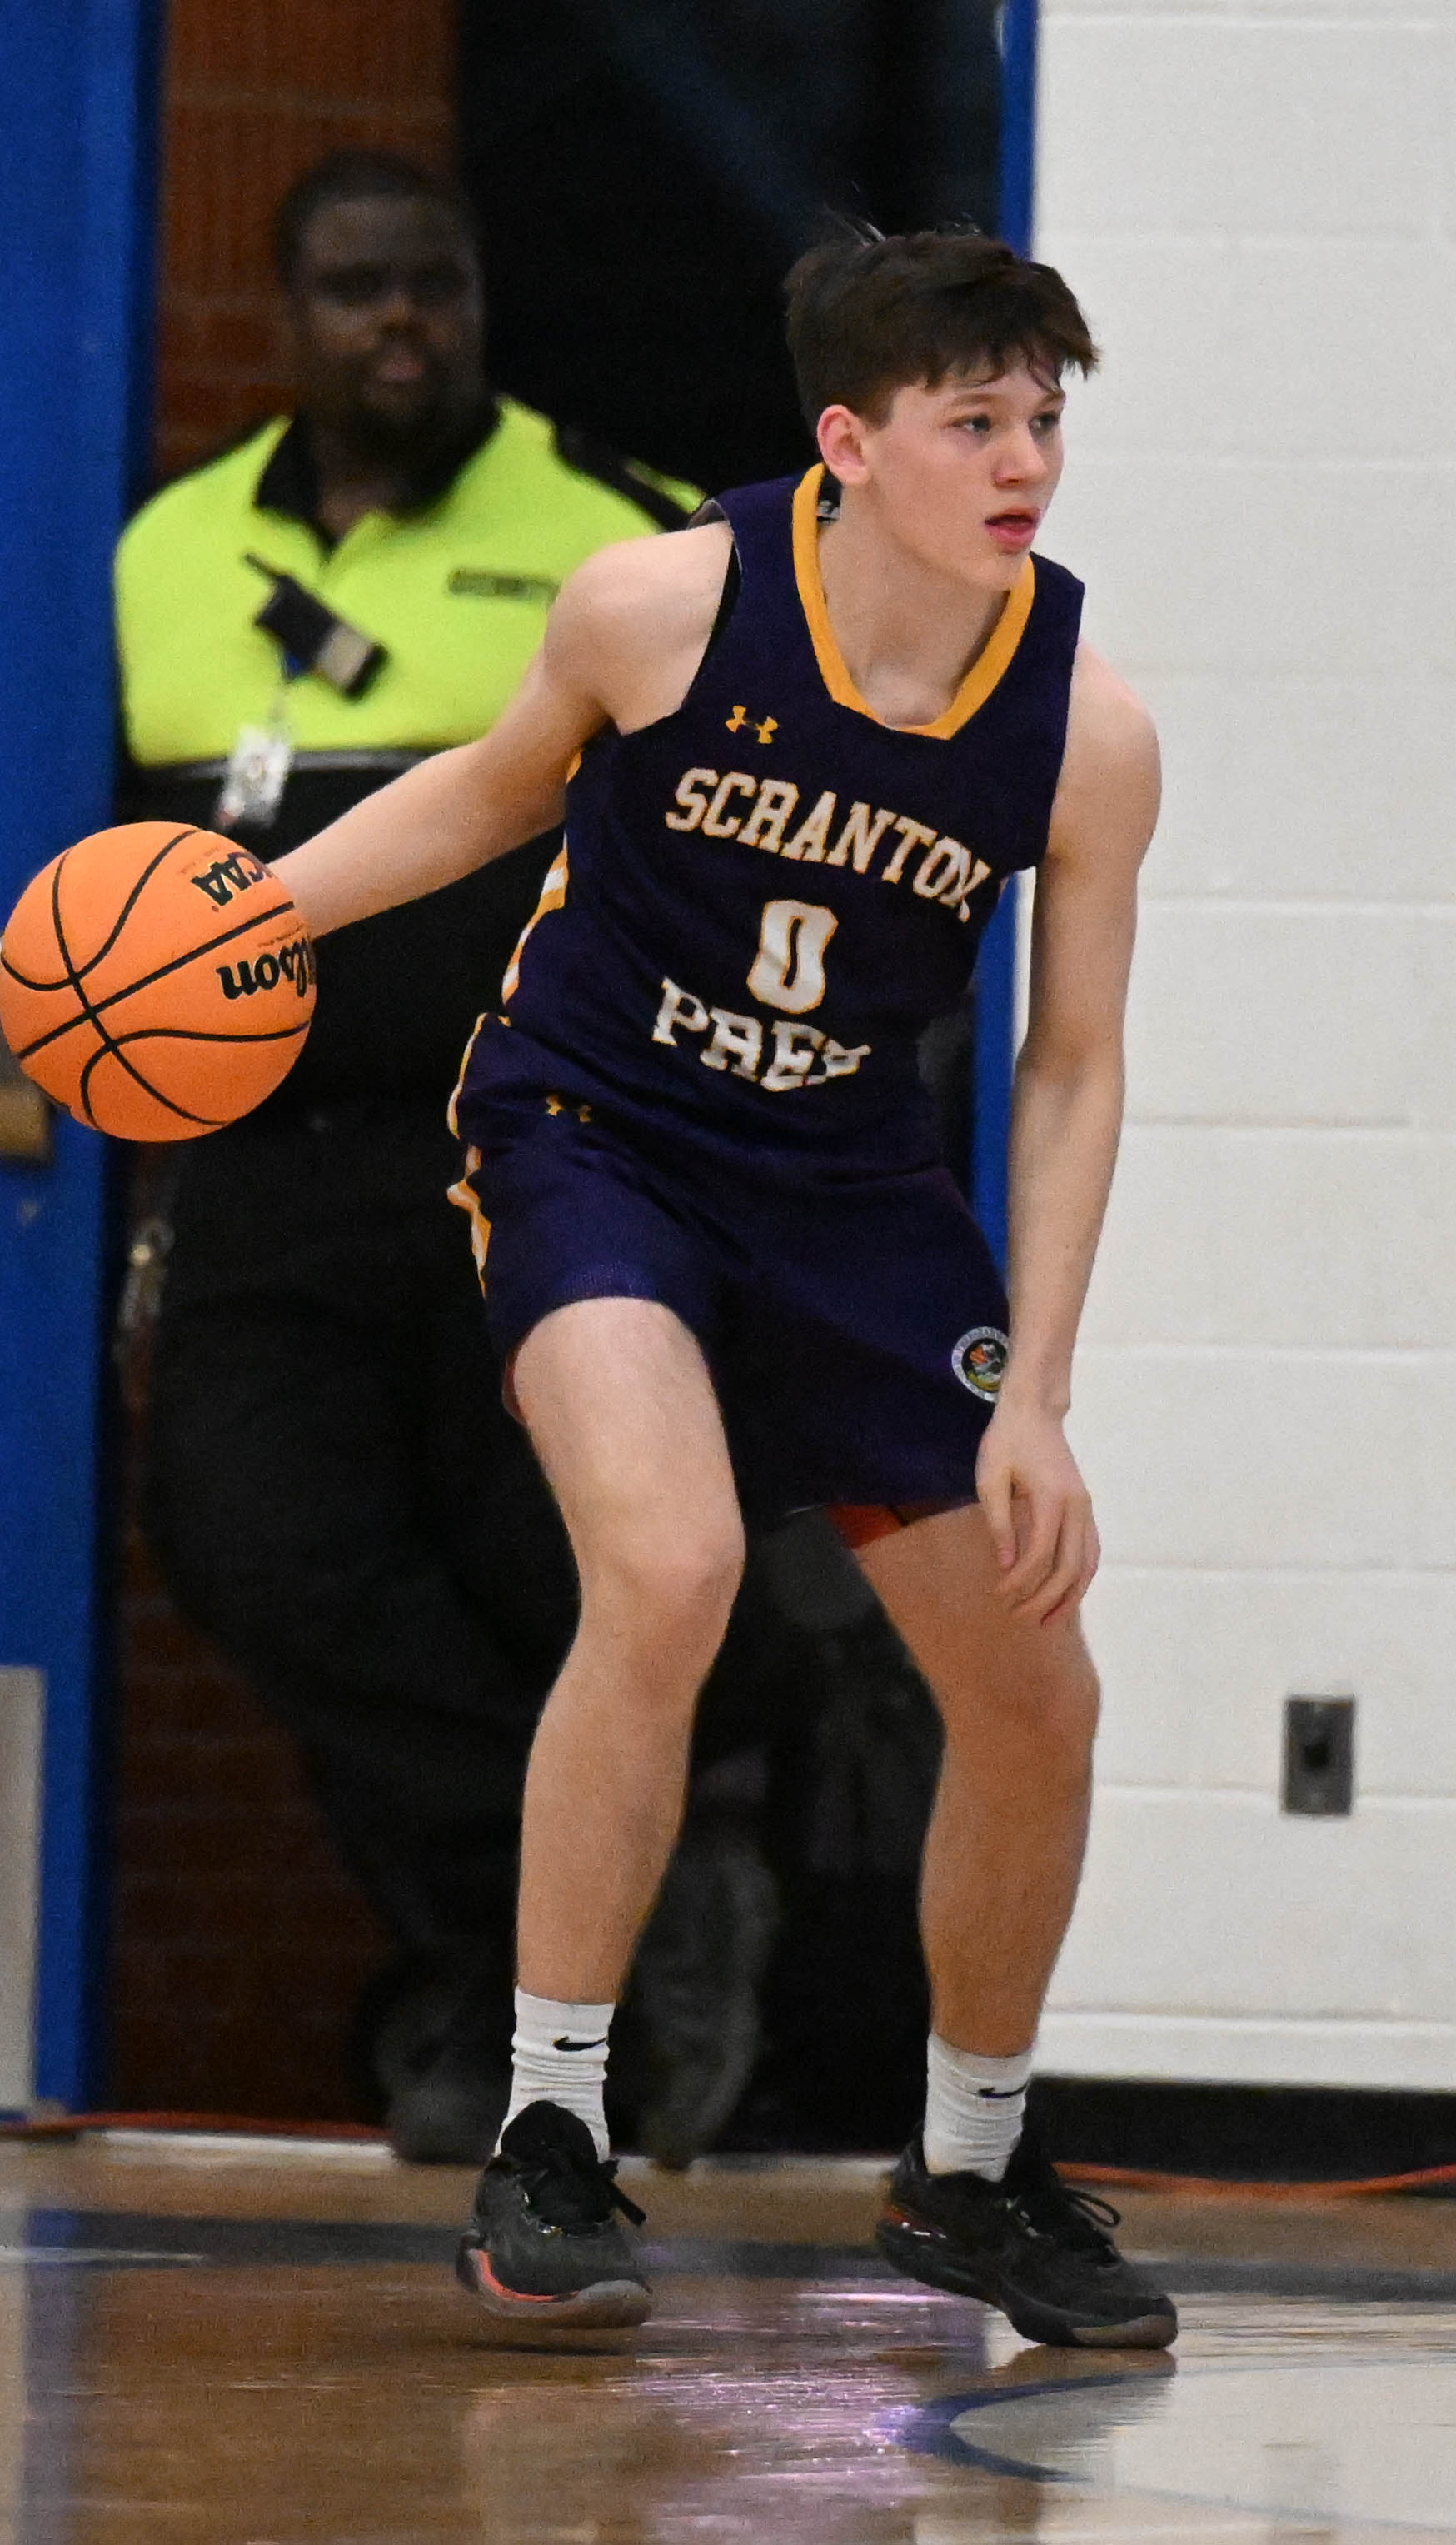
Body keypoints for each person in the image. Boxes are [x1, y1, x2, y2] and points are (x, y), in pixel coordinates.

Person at [273, 222, 1174, 2348]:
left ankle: (966, 2168)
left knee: (1039, 1687)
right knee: (667, 1568)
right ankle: (551, 2130)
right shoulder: (659, 606)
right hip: (599, 1136)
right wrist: (244, 916)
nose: (1025, 458)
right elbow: (487, 797)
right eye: (977, 420)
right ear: (848, 443)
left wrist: (1035, 1388)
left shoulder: (1084, 726)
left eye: (1044, 417)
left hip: (850, 1191)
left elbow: (1068, 1063)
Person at [113, 150, 795, 2163]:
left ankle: (503, 2031)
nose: (397, 324)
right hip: (261, 1174)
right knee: (263, 1556)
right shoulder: (161, 550)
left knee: (550, 1581)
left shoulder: (621, 528)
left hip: (540, 1159)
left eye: (434, 288)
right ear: (284, 312)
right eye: (353, 290)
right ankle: (586, 1929)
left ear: (482, 302)